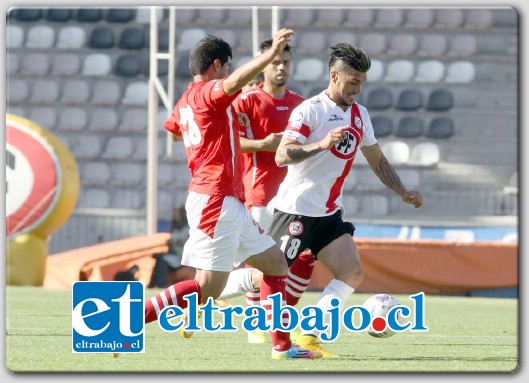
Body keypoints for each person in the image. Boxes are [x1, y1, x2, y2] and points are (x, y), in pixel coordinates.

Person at [144, 29, 321, 360]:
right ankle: (128, 320)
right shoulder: (208, 93)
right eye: (227, 67)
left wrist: (212, 133)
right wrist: (268, 56)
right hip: (214, 198)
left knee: (275, 265)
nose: (229, 73)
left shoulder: (185, 100)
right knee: (208, 288)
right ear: (216, 66)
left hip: (227, 199)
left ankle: (282, 347)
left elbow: (175, 135)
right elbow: (233, 82)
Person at [267, 43, 423, 358]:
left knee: (352, 272)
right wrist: (321, 144)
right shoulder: (310, 110)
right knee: (263, 279)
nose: (358, 88)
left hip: (328, 213)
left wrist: (403, 191)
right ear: (335, 75)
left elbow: (378, 161)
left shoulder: (359, 115)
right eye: (353, 81)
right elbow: (283, 155)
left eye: (362, 82)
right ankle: (211, 290)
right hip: (295, 210)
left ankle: (308, 335)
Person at [215, 38, 316, 344]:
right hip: (260, 195)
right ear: (264, 64)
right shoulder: (246, 101)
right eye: (275, 62)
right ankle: (236, 309)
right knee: (267, 265)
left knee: (305, 257)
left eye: (286, 62)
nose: (282, 67)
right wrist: (264, 145)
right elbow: (229, 141)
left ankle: (273, 318)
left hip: (294, 197)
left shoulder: (301, 104)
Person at [148, 205, 196, 288]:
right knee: (159, 259)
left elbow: (180, 239)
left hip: (181, 257)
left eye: (177, 213)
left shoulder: (187, 229)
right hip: (173, 254)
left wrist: (172, 241)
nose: (175, 215)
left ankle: (160, 284)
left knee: (162, 261)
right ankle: (152, 284)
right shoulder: (175, 228)